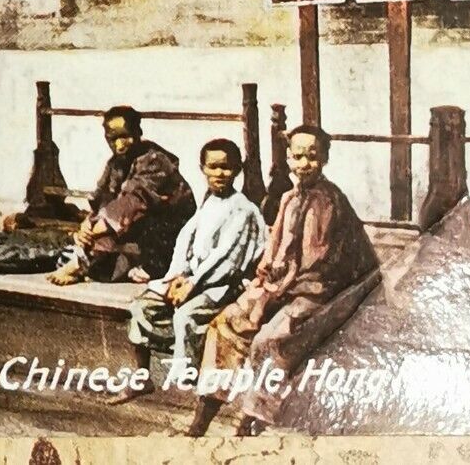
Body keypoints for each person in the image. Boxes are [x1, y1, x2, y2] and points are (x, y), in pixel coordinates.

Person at [185, 125, 380, 436]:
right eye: (297, 156)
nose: (304, 164)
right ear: (288, 158)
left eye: (312, 157)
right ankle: (204, 414)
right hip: (286, 285)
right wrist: (261, 288)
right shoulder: (289, 198)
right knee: (225, 324)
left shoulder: (328, 202)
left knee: (270, 341)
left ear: (325, 159)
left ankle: (252, 419)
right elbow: (274, 252)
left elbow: (317, 265)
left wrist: (268, 298)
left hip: (326, 292)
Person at [110, 138, 266, 403]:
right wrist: (177, 277)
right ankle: (142, 376)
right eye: (213, 167)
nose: (220, 174)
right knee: (142, 306)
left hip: (221, 285)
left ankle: (190, 382)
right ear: (203, 169)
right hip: (191, 279)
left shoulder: (243, 209)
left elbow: (226, 258)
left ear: (237, 169)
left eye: (227, 168)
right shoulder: (208, 203)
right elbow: (185, 241)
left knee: (186, 316)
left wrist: (193, 284)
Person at [48, 106, 197, 285]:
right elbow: (103, 200)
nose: (119, 145)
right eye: (112, 138)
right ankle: (86, 263)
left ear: (138, 132)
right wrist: (87, 225)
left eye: (124, 136)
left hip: (167, 233)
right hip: (134, 227)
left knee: (118, 235)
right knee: (101, 256)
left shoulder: (156, 160)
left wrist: (95, 228)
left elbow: (133, 202)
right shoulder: (116, 163)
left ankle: (86, 265)